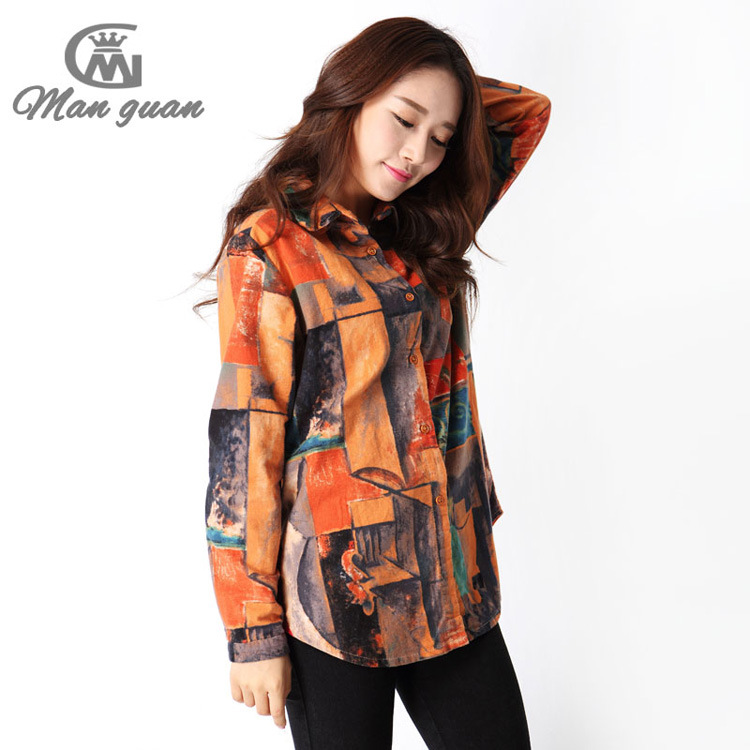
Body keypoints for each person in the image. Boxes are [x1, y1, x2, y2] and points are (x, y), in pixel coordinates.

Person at [195, 16, 551, 750]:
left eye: (442, 137)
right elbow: (246, 437)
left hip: (450, 579)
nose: (418, 153)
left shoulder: (423, 227)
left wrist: (444, 90)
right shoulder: (270, 245)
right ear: (351, 98)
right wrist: (252, 629)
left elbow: (526, 115)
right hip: (335, 594)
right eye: (403, 119)